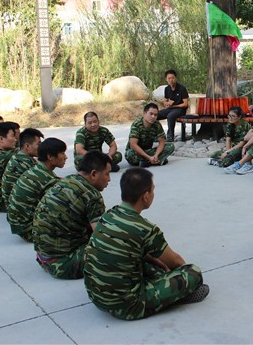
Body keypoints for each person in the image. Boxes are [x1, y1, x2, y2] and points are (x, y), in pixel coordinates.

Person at [84, 168, 209, 320]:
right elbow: (176, 261)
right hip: (128, 306)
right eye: (153, 190)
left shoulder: (108, 216)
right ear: (146, 196)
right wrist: (184, 277)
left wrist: (160, 265)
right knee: (193, 272)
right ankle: (177, 296)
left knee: (154, 264)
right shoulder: (145, 228)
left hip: (96, 297)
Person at [33, 151, 111, 279]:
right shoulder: (92, 196)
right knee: (117, 249)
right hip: (62, 263)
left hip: (42, 255)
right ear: (93, 174)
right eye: (107, 174)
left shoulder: (68, 180)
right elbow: (102, 237)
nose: (109, 179)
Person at [7, 138, 67, 242]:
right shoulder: (46, 178)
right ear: (50, 157)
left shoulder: (37, 169)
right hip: (30, 230)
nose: (66, 157)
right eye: (62, 153)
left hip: (19, 224)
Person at [1, 128, 44, 209]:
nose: (41, 147)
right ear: (27, 146)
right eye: (38, 144)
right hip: (17, 207)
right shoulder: (26, 162)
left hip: (11, 202)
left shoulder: (19, 156)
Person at [126, 103, 175, 167]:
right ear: (144, 113)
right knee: (130, 154)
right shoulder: (137, 124)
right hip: (136, 152)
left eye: (155, 115)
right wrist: (149, 157)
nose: (153, 117)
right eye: (151, 114)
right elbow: (133, 145)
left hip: (148, 151)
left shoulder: (157, 125)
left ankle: (148, 161)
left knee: (170, 146)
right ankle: (155, 160)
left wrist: (156, 155)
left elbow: (162, 142)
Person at [157, 69, 189, 142]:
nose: (171, 80)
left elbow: (185, 104)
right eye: (169, 78)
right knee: (156, 115)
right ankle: (159, 135)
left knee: (170, 116)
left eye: (172, 78)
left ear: (176, 78)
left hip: (180, 110)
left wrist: (173, 106)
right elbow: (166, 101)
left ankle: (170, 136)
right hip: (170, 109)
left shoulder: (182, 89)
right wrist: (167, 103)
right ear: (166, 79)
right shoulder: (167, 89)